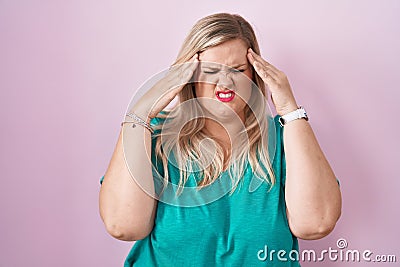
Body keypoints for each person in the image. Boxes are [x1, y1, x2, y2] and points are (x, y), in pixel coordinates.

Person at [99, 12, 342, 266]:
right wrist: (141, 114)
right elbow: (123, 225)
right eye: (211, 70)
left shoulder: (285, 140)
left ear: (254, 76)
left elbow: (317, 224)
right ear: (188, 75)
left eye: (237, 70)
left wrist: (290, 111)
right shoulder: (153, 136)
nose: (225, 83)